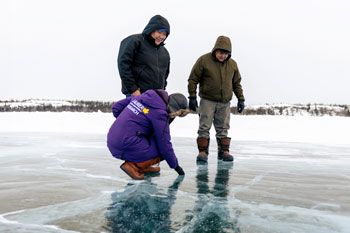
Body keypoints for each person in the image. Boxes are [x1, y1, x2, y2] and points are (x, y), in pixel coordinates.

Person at [107, 89, 189, 179]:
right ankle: (133, 166)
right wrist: (176, 166)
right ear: (174, 109)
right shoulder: (160, 114)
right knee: (161, 150)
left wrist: (127, 125)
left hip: (112, 140)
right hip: (125, 144)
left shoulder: (140, 98)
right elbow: (164, 144)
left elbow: (116, 107)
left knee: (153, 138)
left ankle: (144, 167)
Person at [187, 35, 245, 162]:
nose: (223, 55)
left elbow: (236, 83)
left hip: (225, 102)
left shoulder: (232, 64)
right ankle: (203, 152)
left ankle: (223, 151)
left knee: (223, 128)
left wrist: (241, 99)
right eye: (220, 52)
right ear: (215, 50)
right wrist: (192, 96)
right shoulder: (204, 60)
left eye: (226, 53)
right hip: (207, 100)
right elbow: (193, 79)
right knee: (204, 126)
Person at [117, 15, 171, 96]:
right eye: (159, 32)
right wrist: (133, 89)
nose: (162, 37)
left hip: (155, 97)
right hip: (137, 94)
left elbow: (165, 75)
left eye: (164, 34)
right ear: (152, 29)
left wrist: (161, 92)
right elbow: (124, 65)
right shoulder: (135, 41)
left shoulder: (165, 52)